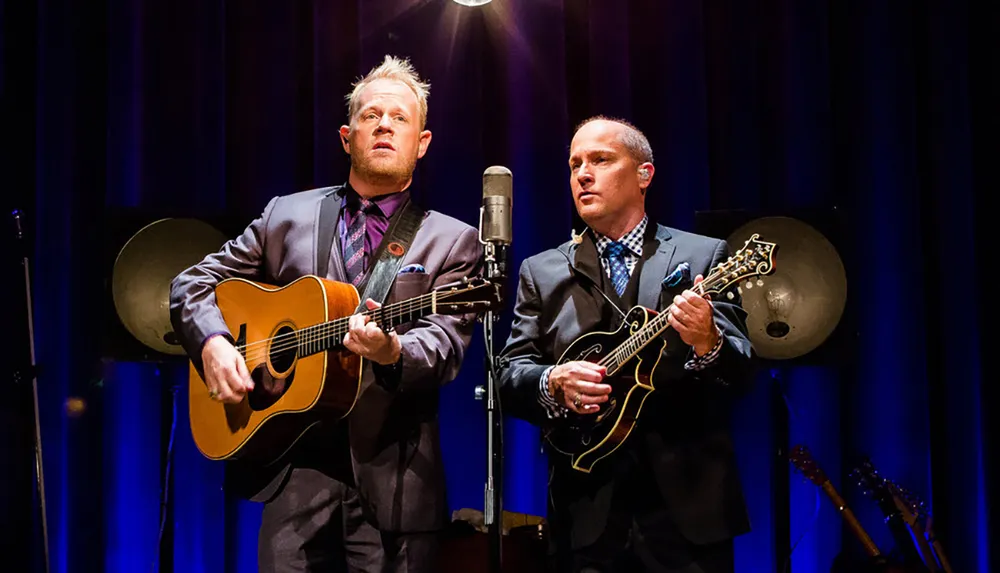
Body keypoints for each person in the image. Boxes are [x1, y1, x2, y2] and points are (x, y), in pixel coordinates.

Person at [170, 55, 483, 573]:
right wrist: (213, 342)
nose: (384, 125)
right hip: (291, 477)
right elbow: (192, 283)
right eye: (370, 116)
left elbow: (444, 347)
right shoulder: (284, 216)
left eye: (400, 118)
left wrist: (393, 350)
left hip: (396, 487)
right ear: (346, 136)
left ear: (422, 143)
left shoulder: (451, 239)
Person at [497, 117, 754, 573]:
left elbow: (743, 372)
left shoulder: (704, 257)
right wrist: (552, 380)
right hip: (585, 511)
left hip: (688, 513)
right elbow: (510, 372)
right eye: (574, 163)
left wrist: (708, 341)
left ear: (643, 175)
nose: (583, 174)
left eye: (600, 160)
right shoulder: (542, 270)